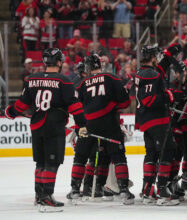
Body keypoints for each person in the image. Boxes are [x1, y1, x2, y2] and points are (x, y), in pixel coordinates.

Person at [4, 48, 87, 212]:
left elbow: (22, 104)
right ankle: (46, 197)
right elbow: (74, 105)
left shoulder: (32, 79)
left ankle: (39, 195)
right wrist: (81, 124)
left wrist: (10, 113)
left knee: (40, 162)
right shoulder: (64, 80)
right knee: (52, 162)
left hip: (36, 125)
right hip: (53, 125)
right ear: (58, 62)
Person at [76, 53, 135, 205]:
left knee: (84, 157)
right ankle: (123, 190)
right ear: (100, 65)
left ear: (88, 67)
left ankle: (77, 190)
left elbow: (77, 108)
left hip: (89, 125)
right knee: (118, 155)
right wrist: (112, 105)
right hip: (109, 122)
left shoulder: (82, 84)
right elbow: (124, 103)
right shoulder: (112, 78)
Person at [134, 44, 183, 206]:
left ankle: (147, 190)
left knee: (152, 154)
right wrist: (168, 96)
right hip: (156, 119)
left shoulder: (142, 72)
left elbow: (160, 72)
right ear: (153, 58)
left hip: (145, 120)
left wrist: (169, 53)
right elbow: (149, 99)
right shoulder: (150, 74)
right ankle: (162, 190)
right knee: (168, 149)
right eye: (157, 56)